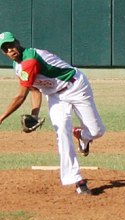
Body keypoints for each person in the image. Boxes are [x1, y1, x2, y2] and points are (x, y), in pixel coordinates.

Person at [0, 32, 105, 195]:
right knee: (61, 129)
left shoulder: (30, 61)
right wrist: (34, 115)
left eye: (11, 45)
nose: (10, 50)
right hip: (55, 96)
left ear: (18, 42)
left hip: (76, 86)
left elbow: (21, 96)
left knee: (97, 131)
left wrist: (1, 118)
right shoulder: (18, 66)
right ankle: (76, 179)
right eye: (5, 49)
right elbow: (35, 89)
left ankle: (82, 135)